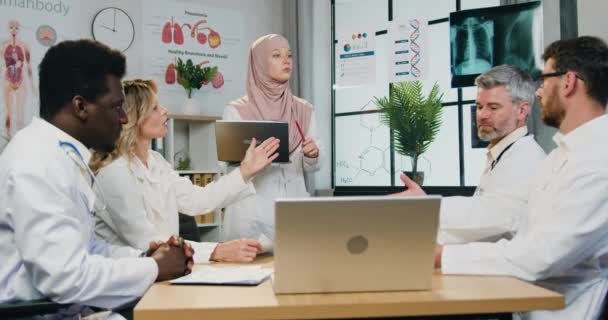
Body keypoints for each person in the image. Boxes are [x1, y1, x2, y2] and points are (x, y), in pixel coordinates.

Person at [0, 40, 192, 317]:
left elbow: (86, 248)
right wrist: (155, 267)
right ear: (81, 107)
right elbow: (65, 278)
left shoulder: (60, 155)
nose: (125, 118)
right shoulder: (37, 162)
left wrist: (143, 257)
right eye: (116, 107)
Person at [435, 36, 608, 320]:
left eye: (544, 79)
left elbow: (540, 256)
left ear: (569, 82)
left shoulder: (599, 161)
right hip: (525, 307)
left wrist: (444, 256)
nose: (538, 93)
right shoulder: (559, 157)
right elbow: (523, 242)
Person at [90, 79, 280, 263]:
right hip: (127, 282)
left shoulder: (156, 161)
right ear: (133, 117)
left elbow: (198, 200)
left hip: (163, 269)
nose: (165, 111)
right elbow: (147, 243)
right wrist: (216, 250)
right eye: (155, 108)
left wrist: (246, 171)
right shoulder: (114, 172)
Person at [397, 64, 545, 244]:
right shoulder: (501, 154)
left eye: (493, 107)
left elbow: (495, 217)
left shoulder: (526, 158)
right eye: (479, 106)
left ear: (522, 110)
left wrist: (426, 206)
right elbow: (479, 227)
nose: (482, 115)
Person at [221, 34, 321, 244]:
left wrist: (313, 155)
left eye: (289, 55)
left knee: (296, 272)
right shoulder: (237, 110)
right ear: (259, 62)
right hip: (250, 216)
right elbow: (228, 167)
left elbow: (311, 167)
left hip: (293, 213)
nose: (287, 61)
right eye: (276, 55)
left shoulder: (304, 109)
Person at [1, 19, 36, 142]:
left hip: (21, 81)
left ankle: (20, 143)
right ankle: (9, 141)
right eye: (11, 27)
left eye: (16, 28)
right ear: (8, 29)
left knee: (20, 114)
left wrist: (32, 86)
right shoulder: (3, 45)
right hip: (8, 80)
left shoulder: (25, 45)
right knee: (9, 113)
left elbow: (29, 66)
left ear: (20, 29)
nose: (14, 30)